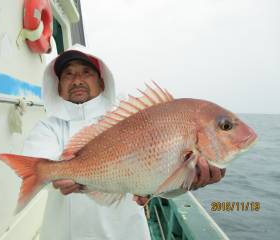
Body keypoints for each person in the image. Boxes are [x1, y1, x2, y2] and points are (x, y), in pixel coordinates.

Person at [22, 44, 225, 240]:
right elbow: (38, 164)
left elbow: (158, 177)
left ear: (102, 82)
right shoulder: (48, 127)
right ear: (57, 86)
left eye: (86, 72)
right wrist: (59, 174)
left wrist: (187, 180)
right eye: (68, 74)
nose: (77, 80)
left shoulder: (127, 119)